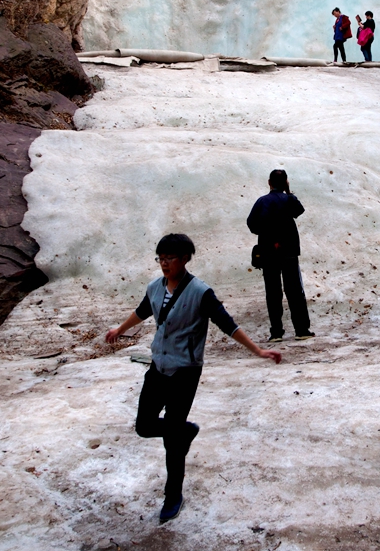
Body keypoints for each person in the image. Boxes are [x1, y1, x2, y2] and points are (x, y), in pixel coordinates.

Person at [105, 233, 281, 523]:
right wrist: (119, 330)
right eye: (160, 259)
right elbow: (142, 312)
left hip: (185, 372)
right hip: (158, 367)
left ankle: (173, 495)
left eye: (169, 259)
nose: (164, 264)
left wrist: (258, 350)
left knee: (172, 443)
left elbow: (228, 324)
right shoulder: (155, 287)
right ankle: (184, 431)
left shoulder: (200, 292)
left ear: (185, 259)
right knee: (144, 426)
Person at [247, 169, 314, 342]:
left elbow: (251, 224)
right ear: (285, 182)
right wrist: (288, 192)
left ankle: (276, 332)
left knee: (273, 291)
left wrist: (267, 235)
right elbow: (299, 210)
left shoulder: (262, 202)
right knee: (294, 290)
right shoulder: (289, 200)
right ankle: (301, 330)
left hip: (269, 251)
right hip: (289, 251)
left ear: (269, 182)